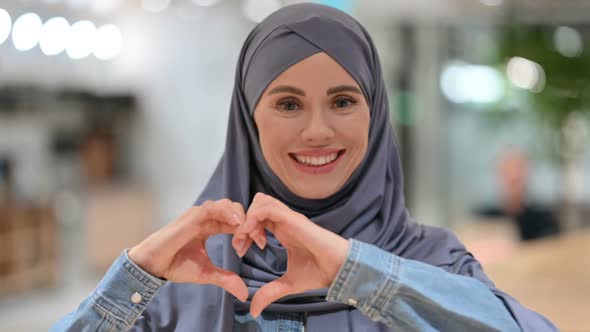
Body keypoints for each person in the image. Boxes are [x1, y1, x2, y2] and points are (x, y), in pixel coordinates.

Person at [51, 4, 557, 331]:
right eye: (288, 105)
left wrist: (354, 270)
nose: (317, 131)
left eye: (343, 101)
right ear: (249, 122)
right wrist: (135, 274)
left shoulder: (433, 261)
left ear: (375, 115)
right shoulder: (190, 279)